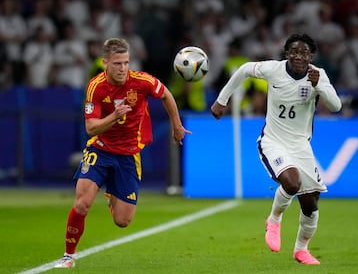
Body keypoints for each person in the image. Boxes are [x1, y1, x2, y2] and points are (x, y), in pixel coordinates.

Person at [55, 38, 191, 268]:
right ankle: (69, 255)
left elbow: (166, 94)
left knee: (123, 221)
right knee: (82, 203)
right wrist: (114, 117)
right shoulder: (96, 86)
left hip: (128, 155)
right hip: (100, 150)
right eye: (117, 63)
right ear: (105, 63)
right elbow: (90, 128)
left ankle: (111, 194)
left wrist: (176, 126)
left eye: (126, 62)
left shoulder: (142, 81)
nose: (122, 68)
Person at [210, 33, 342, 265]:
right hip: (273, 141)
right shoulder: (273, 69)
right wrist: (222, 99)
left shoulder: (318, 75)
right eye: (294, 51)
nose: (298, 56)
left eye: (303, 52)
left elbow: (336, 106)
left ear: (310, 56)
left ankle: (301, 250)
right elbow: (243, 70)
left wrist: (319, 85)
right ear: (286, 53)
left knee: (311, 203)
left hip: (301, 145)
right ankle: (274, 219)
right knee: (292, 183)